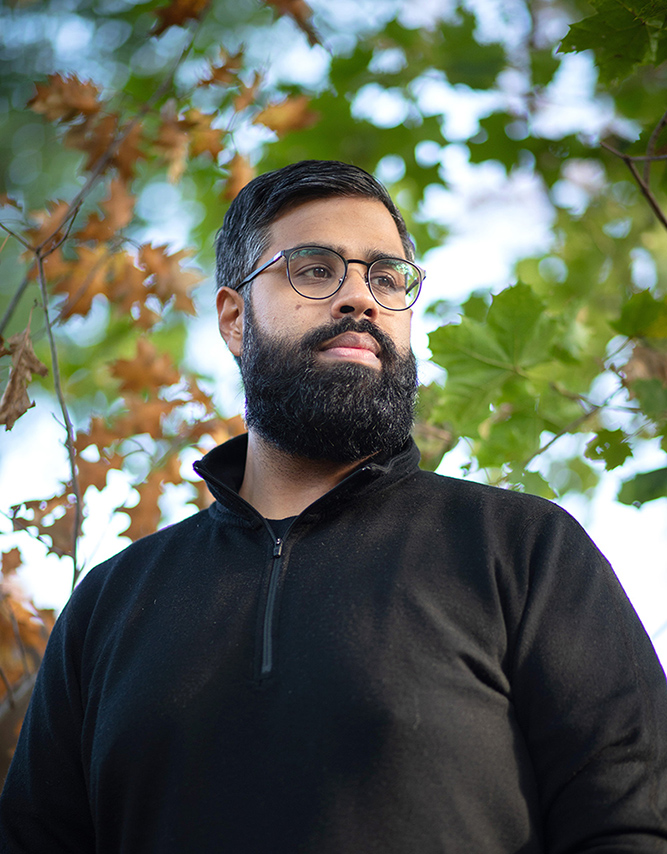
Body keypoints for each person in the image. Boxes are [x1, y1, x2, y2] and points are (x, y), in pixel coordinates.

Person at [1, 160, 666, 853]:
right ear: (234, 318)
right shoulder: (110, 604)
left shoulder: (522, 549)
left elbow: (633, 826)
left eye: (385, 277)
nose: (361, 299)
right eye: (315, 270)